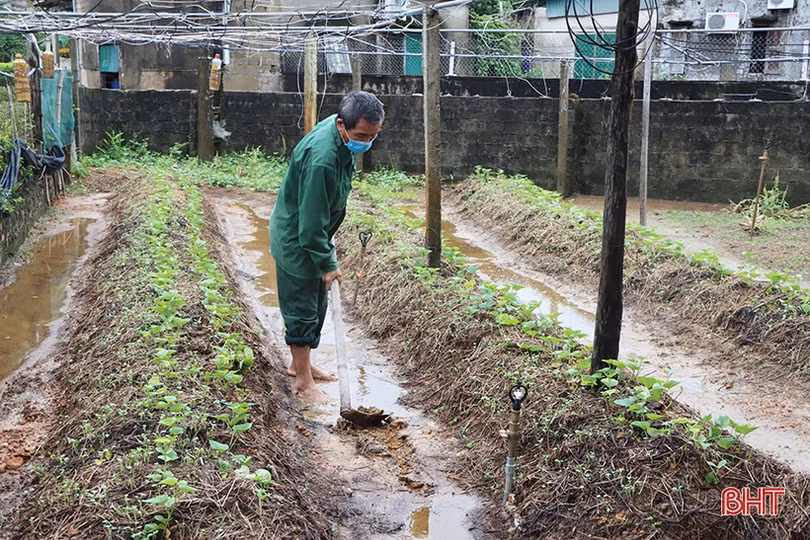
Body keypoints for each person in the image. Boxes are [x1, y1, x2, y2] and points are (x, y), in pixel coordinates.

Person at [269, 91, 385, 403]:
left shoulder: (340, 138)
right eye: (361, 135)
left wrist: (325, 252)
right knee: (302, 309)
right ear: (341, 125)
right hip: (298, 239)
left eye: (374, 136)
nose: (367, 142)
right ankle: (303, 383)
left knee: (317, 301)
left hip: (313, 232)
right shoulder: (322, 159)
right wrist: (328, 262)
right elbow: (309, 225)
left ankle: (299, 364)